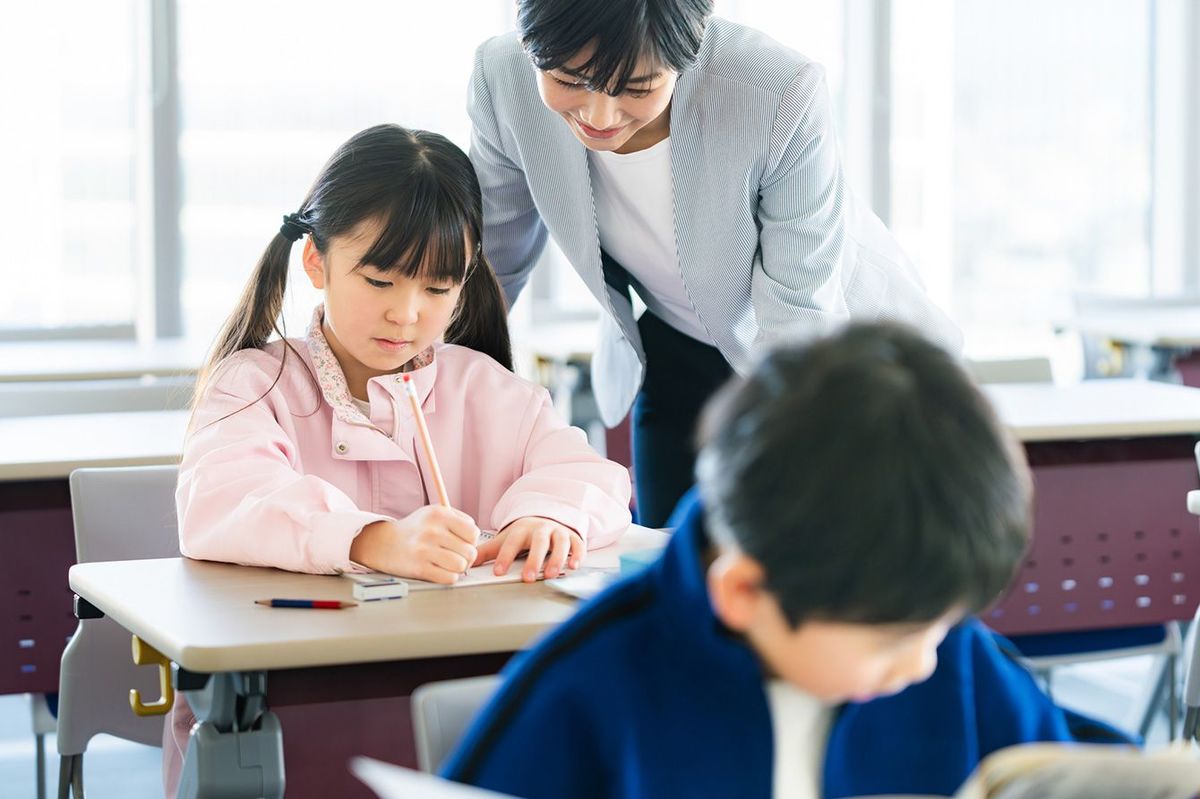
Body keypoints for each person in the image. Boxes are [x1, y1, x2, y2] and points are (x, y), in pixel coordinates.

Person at [442, 323, 1129, 799]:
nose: (924, 661)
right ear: (744, 591)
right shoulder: (585, 693)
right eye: (895, 637)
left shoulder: (949, 656)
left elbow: (1083, 767)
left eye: (941, 626)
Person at [164, 123, 632, 796]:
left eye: (438, 289)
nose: (406, 313)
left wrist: (551, 517)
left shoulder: (488, 387)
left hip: (465, 704)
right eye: (379, 279)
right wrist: (377, 538)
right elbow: (227, 499)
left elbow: (588, 475)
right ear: (318, 264)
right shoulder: (255, 383)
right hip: (292, 712)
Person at [469, 0, 962, 526]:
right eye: (570, 79)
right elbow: (491, 264)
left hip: (840, 361)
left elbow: (799, 312)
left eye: (636, 89)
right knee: (675, 562)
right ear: (530, 45)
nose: (598, 116)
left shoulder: (776, 91)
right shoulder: (503, 79)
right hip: (679, 340)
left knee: (812, 568)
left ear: (692, 47)